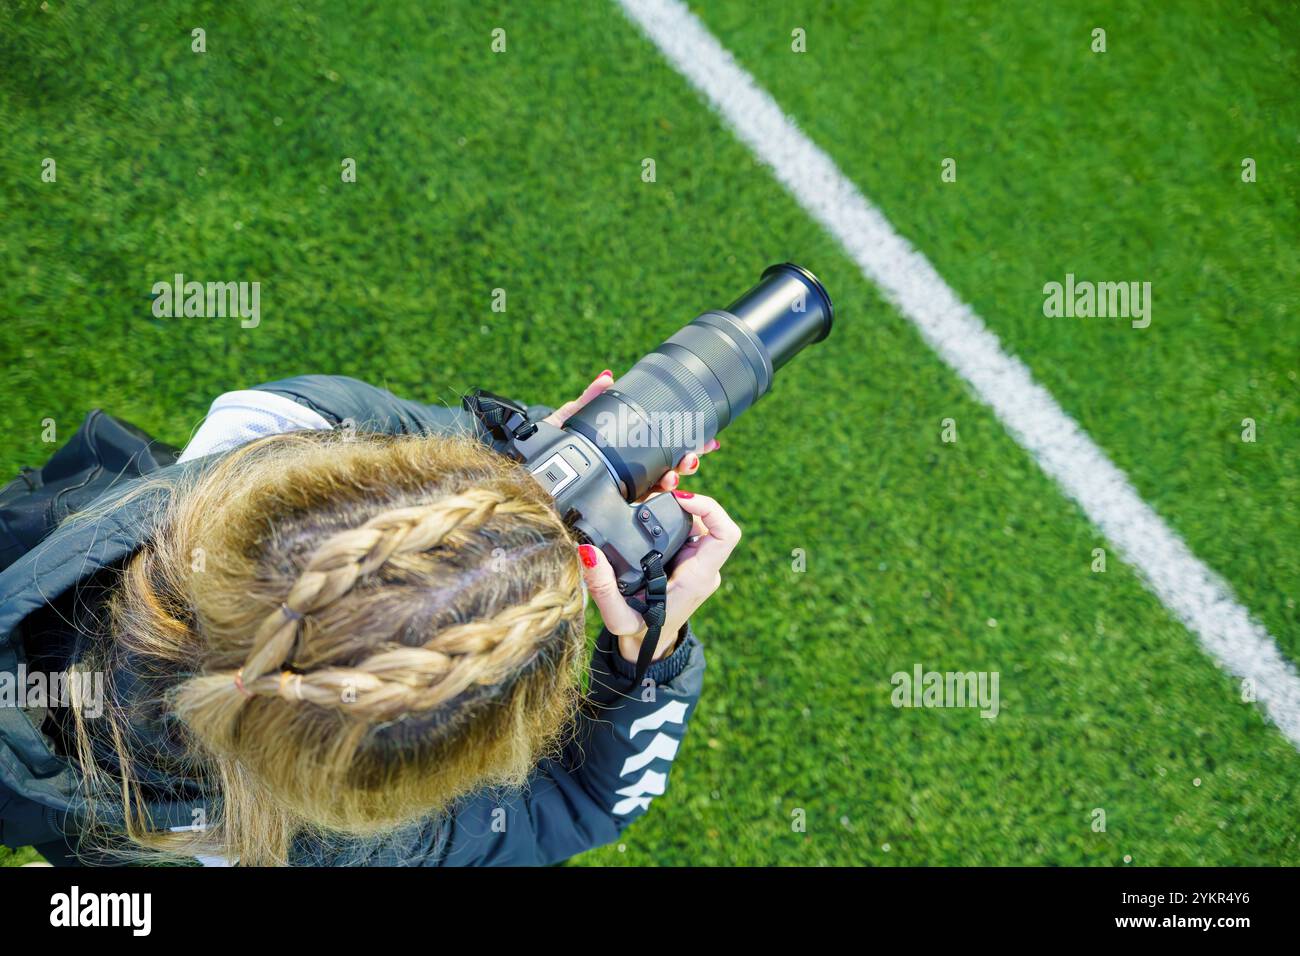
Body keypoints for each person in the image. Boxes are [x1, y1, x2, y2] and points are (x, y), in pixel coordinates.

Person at [0, 371, 737, 866]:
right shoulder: (335, 845)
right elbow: (582, 799)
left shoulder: (264, 428)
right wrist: (651, 655)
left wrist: (507, 458)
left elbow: (346, 429)